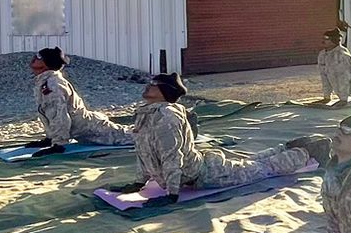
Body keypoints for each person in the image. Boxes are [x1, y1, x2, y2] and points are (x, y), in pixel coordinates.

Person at [109, 74, 330, 208]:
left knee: (262, 169)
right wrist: (139, 183)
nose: (148, 86)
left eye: (154, 84)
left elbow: (172, 155)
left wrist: (172, 194)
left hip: (207, 174)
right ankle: (290, 146)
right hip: (202, 167)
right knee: (251, 163)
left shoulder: (167, 116)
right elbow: (144, 151)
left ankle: (307, 152)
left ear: (164, 92)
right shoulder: (146, 113)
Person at [24, 47, 134, 154]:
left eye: (39, 57)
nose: (34, 58)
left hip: (92, 129)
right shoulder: (44, 82)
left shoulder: (53, 85)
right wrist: (50, 138)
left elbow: (59, 116)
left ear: (47, 64)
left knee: (133, 137)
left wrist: (59, 144)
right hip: (84, 130)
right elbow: (48, 115)